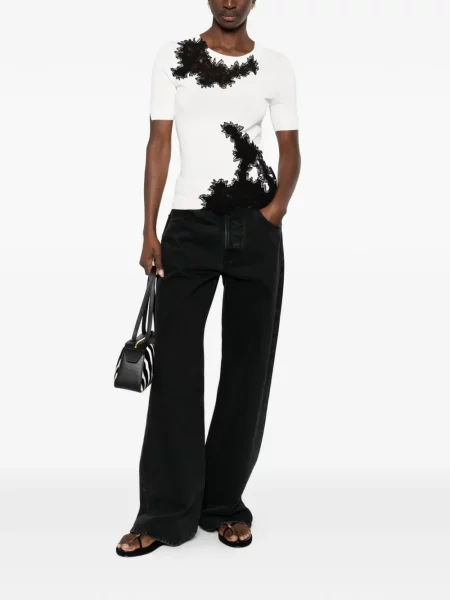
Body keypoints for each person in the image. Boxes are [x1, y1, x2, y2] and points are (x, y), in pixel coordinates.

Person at [116, 0, 301, 557]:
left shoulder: (276, 65)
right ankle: (164, 513)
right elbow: (158, 144)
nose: (230, 2)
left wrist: (275, 212)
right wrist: (149, 229)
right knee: (175, 367)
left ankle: (222, 505)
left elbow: (290, 150)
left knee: (247, 367)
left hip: (255, 226)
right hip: (188, 229)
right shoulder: (173, 57)